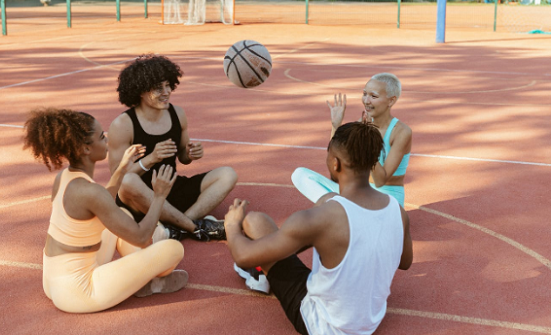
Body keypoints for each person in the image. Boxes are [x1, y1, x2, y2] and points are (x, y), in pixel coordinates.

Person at [226, 121, 413, 335]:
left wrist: (231, 225)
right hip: (369, 320)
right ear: (372, 162)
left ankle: (260, 273)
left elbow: (242, 254)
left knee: (251, 223)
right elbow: (405, 262)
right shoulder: (397, 211)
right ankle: (264, 267)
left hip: (323, 325)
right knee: (258, 221)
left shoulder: (321, 220)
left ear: (335, 163)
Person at [24, 108, 188, 314]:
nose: (107, 140)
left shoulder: (65, 178)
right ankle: (148, 280)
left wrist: (121, 170)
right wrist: (159, 196)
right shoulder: (91, 192)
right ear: (85, 149)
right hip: (80, 292)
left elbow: (101, 203)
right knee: (173, 249)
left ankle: (142, 278)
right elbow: (141, 237)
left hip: (52, 279)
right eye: (101, 137)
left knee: (123, 217)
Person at [108, 54, 237, 241]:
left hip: (170, 188)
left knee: (228, 174)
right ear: (141, 92)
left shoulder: (177, 114)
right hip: (140, 197)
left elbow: (183, 157)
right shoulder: (123, 125)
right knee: (129, 182)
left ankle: (177, 228)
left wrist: (191, 153)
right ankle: (194, 227)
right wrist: (150, 159)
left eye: (168, 85)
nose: (166, 92)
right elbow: (117, 180)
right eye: (158, 88)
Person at [292, 73, 412, 206]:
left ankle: (342, 210)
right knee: (300, 175)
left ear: (391, 100)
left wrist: (366, 140)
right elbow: (336, 159)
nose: (366, 100)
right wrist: (336, 126)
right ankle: (343, 209)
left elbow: (380, 180)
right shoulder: (361, 124)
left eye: (373, 96)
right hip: (358, 192)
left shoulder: (401, 132)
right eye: (364, 94)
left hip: (387, 200)